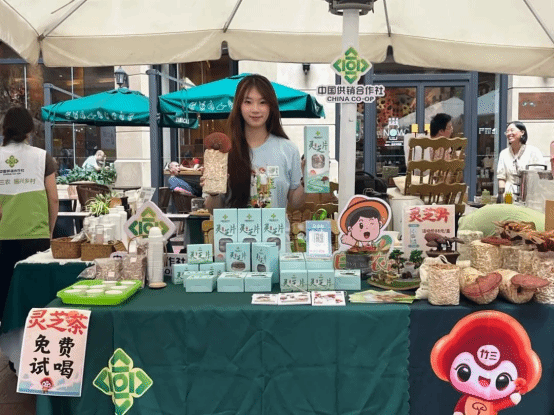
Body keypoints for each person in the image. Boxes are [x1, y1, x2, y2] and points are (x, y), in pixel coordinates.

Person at [203, 74, 305, 212]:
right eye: (248, 102)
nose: (255, 109)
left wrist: (307, 179)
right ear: (239, 105)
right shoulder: (224, 151)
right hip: (235, 226)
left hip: (274, 226)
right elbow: (213, 210)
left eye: (262, 102)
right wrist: (214, 193)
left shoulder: (288, 149)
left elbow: (295, 203)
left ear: (271, 106)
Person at [0, 107, 59, 321]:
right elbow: (53, 198)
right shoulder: (42, 157)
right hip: (36, 236)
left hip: (3, 238)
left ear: (5, 129)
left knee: (5, 295)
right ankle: (35, 338)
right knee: (36, 295)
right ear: (30, 130)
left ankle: (8, 339)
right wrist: (49, 231)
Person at [496, 121, 543, 203]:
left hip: (530, 195)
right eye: (507, 131)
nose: (509, 133)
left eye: (512, 130)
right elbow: (501, 176)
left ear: (522, 132)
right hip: (509, 194)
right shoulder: (503, 153)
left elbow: (540, 175)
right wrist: (501, 194)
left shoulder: (533, 151)